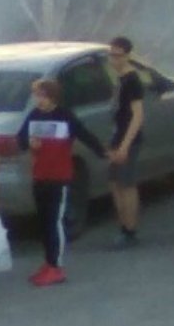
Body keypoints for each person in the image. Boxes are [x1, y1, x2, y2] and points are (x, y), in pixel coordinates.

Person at [16, 79, 108, 286]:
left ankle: (56, 267)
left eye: (42, 95)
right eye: (36, 95)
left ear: (52, 96)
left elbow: (85, 135)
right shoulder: (34, 116)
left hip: (59, 176)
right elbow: (20, 140)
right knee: (43, 222)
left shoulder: (65, 116)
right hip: (40, 175)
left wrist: (103, 152)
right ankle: (48, 262)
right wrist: (27, 142)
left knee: (54, 222)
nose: (38, 100)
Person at [107, 37, 145, 248]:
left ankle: (130, 230)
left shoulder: (132, 80)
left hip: (128, 140)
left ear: (128, 55)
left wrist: (124, 146)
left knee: (126, 184)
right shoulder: (120, 79)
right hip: (116, 137)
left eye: (118, 55)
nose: (113, 59)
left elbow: (138, 116)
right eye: (111, 54)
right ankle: (123, 225)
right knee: (114, 183)